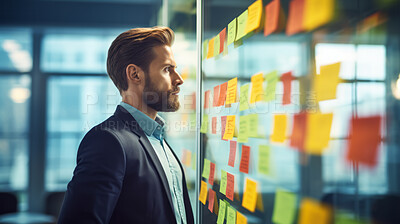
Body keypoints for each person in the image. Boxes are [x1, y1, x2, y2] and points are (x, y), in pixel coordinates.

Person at [58, 26, 194, 224]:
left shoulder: (158, 139)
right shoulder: (107, 141)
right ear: (135, 74)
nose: (179, 79)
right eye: (167, 69)